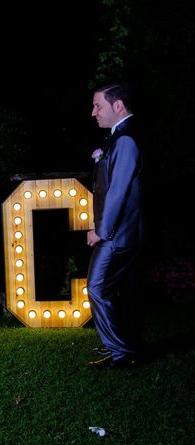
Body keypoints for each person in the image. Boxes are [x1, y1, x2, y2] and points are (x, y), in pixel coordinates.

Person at [86, 82, 145, 369]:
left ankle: (122, 351)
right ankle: (124, 345)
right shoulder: (120, 137)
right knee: (119, 289)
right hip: (120, 231)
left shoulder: (126, 140)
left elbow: (118, 191)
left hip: (118, 234)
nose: (93, 112)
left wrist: (100, 230)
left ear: (118, 105)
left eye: (98, 105)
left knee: (97, 287)